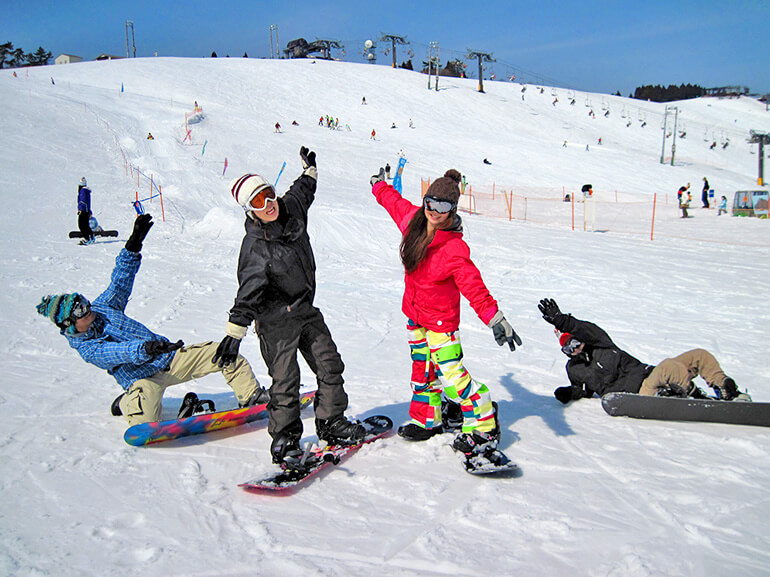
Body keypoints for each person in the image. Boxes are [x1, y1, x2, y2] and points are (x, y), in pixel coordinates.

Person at [36, 214, 269, 426]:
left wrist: (133, 244)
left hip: (170, 358)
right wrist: (148, 348)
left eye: (83, 302)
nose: (86, 309)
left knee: (224, 353)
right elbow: (119, 352)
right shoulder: (87, 348)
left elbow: (120, 281)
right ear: (69, 324)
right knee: (145, 423)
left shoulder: (102, 308)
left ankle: (251, 396)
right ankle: (129, 401)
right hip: (142, 378)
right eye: (78, 311)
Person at [216, 147, 365, 465]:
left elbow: (302, 189)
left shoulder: (291, 208)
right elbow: (248, 294)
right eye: (257, 202)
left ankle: (331, 423)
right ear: (248, 210)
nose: (268, 205)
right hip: (274, 321)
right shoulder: (255, 248)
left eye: (268, 195)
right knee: (286, 381)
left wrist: (310, 169)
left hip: (304, 309)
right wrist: (234, 333)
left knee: (330, 365)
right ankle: (284, 439)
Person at [370, 167, 522, 456]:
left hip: (441, 323)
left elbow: (474, 286)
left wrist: (494, 317)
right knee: (422, 372)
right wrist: (379, 186)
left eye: (442, 206)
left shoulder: (454, 248)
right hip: (416, 317)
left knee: (453, 376)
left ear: (452, 209)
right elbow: (394, 202)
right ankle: (428, 419)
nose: (433, 211)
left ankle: (483, 424)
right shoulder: (413, 222)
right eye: (430, 202)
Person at [537, 298, 751, 403]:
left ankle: (725, 389)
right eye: (568, 349)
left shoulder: (601, 344)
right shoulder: (574, 368)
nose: (574, 350)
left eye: (575, 343)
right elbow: (582, 390)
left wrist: (562, 321)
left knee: (698, 355)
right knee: (669, 367)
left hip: (650, 375)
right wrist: (568, 393)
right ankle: (697, 399)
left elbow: (587, 329)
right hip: (640, 395)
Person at [77, 177, 95, 245]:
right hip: (86, 210)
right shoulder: (85, 191)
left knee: (82, 225)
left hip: (83, 211)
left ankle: (87, 238)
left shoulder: (82, 191)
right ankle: (91, 237)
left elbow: (83, 201)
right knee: (85, 225)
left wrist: (81, 209)